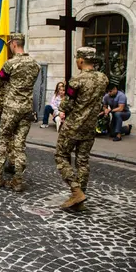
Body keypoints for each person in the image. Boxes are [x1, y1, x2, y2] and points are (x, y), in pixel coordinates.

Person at [54, 48, 109, 210]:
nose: (76, 61)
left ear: (82, 60)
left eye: (77, 58)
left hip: (73, 125)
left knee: (61, 155)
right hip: (90, 126)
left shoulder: (76, 81)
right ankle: (80, 199)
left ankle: (76, 190)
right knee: (83, 161)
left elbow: (66, 104)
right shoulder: (103, 78)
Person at [0, 33, 40, 192]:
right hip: (26, 108)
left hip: (11, 108)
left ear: (14, 44)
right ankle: (17, 180)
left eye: (10, 44)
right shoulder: (35, 64)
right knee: (19, 143)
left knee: (3, 139)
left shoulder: (10, 64)